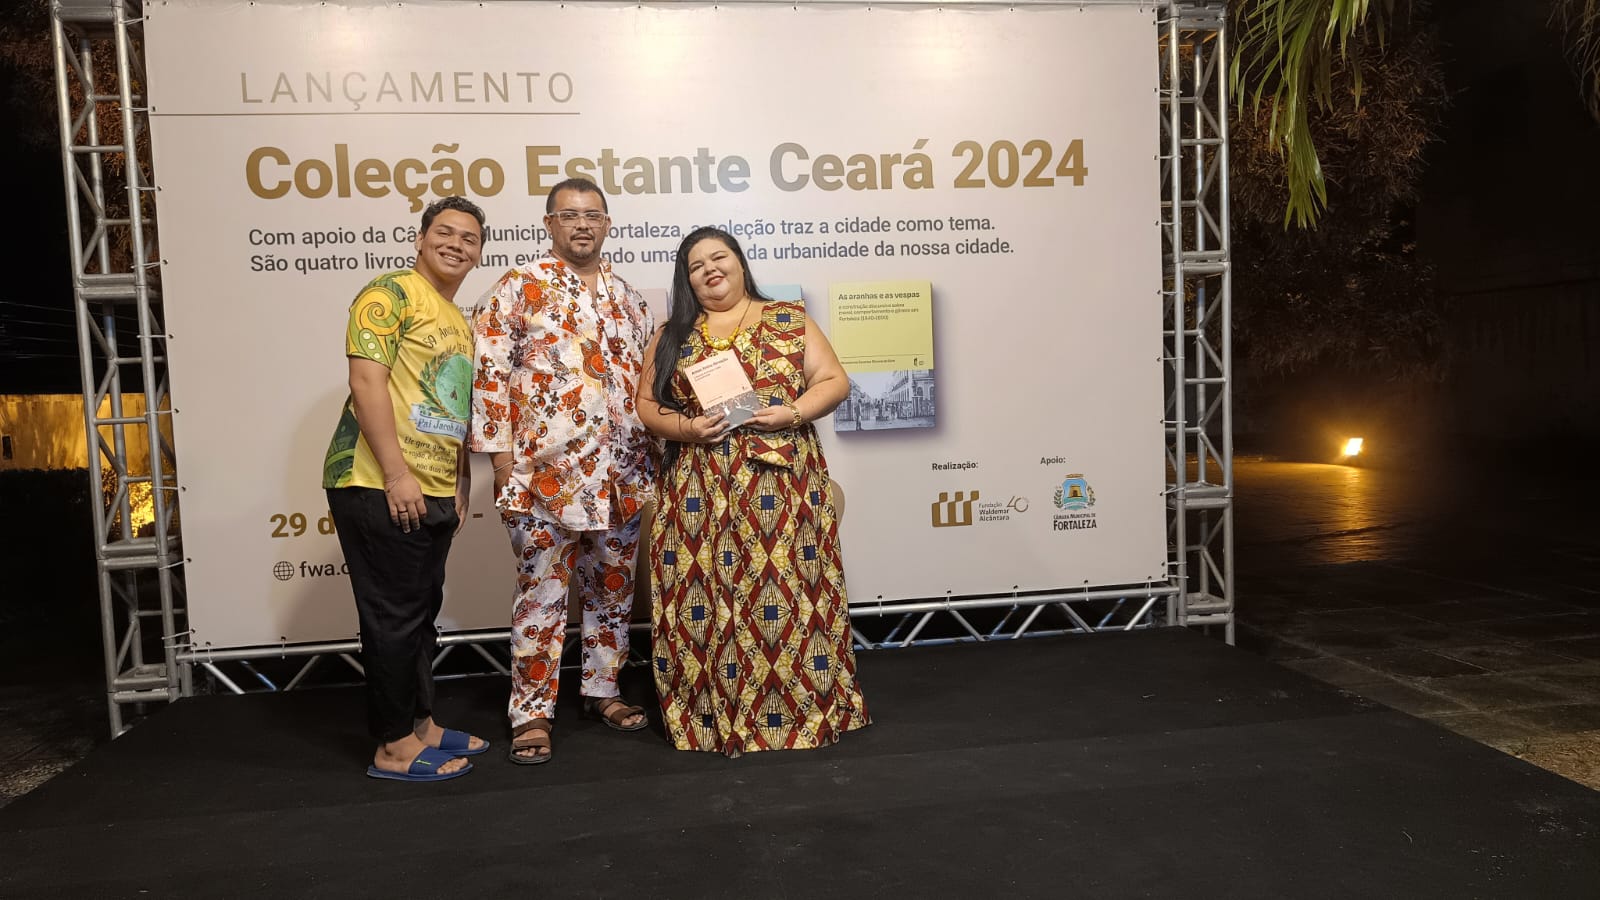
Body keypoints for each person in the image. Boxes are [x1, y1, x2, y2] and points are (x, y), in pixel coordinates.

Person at [637, 227, 871, 756]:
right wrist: (686, 428)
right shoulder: (673, 334)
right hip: (699, 488)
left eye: (718, 257)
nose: (710, 269)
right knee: (706, 597)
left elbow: (833, 380)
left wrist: (793, 412)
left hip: (783, 486)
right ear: (687, 279)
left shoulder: (788, 318)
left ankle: (801, 713)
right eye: (696, 265)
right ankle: (710, 718)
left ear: (741, 264)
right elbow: (646, 405)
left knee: (790, 593)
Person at [469, 178, 657, 765]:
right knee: (542, 594)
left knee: (613, 589)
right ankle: (531, 712)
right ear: (549, 224)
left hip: (621, 473)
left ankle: (602, 689)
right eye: (569, 215)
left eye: (593, 215)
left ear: (607, 225)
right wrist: (502, 462)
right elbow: (490, 375)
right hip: (541, 476)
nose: (582, 225)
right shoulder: (517, 287)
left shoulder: (630, 298)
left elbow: (644, 385)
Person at [322, 196, 490, 782]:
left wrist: (460, 479)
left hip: (433, 487)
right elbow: (366, 382)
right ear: (420, 239)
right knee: (392, 618)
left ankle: (421, 724)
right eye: (445, 232)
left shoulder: (457, 318)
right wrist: (396, 474)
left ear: (479, 252)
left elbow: (456, 404)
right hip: (375, 480)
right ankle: (393, 747)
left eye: (469, 238)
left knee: (420, 616)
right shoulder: (389, 293)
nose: (456, 244)